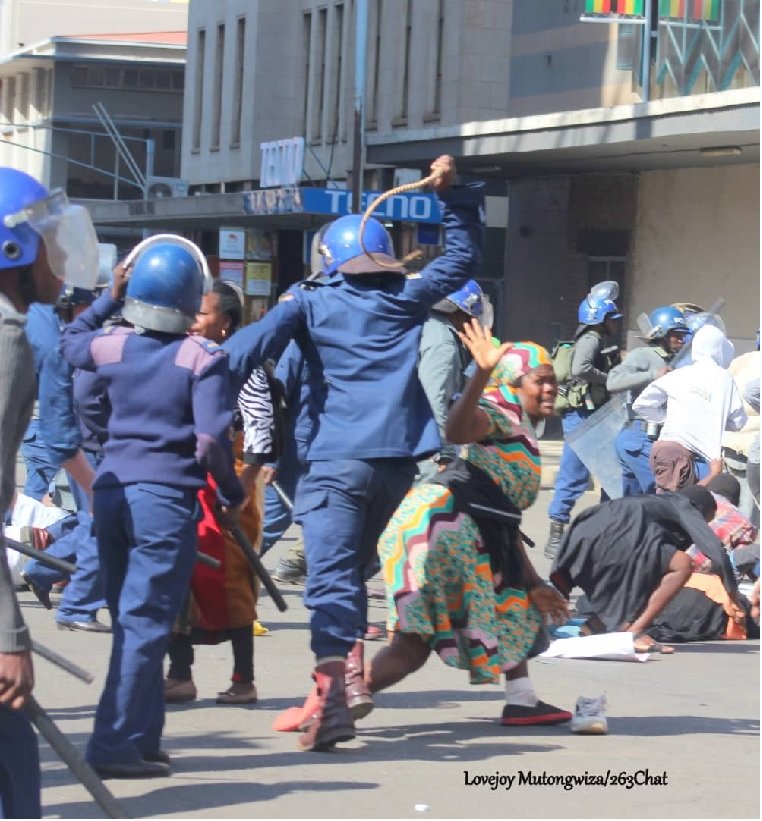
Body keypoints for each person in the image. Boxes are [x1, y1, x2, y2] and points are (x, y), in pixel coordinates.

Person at [223, 154, 483, 752]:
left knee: (332, 583)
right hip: (395, 466)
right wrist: (454, 196)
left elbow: (244, 354)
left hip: (333, 463)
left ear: (328, 261)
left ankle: (333, 696)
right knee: (351, 575)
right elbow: (465, 259)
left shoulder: (310, 301)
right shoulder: (407, 297)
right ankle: (330, 694)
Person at [60, 238, 244, 779]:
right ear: (192, 300)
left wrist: (105, 299)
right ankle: (113, 744)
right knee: (147, 625)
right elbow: (211, 441)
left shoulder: (111, 346)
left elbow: (71, 346)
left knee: (132, 624)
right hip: (164, 500)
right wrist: (231, 493)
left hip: (112, 491)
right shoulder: (201, 358)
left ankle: (143, 736)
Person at [371, 320, 571, 726]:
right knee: (414, 641)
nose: (550, 389)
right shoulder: (497, 410)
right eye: (541, 380)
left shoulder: (520, 422)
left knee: (515, 602)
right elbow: (458, 428)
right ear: (514, 382)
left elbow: (503, 518)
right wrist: (480, 373)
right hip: (439, 527)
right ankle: (338, 696)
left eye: (554, 381)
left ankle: (522, 699)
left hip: (467, 528)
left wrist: (535, 582)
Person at [0, 166, 100, 817]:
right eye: (46, 239)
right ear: (14, 250)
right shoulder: (9, 338)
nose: (60, 256)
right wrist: (9, 635)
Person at [165, 280, 266, 705]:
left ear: (225, 322)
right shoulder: (178, 357)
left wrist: (239, 491)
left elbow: (261, 431)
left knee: (230, 580)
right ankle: (180, 673)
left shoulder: (247, 365)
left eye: (201, 314)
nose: (192, 322)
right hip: (183, 476)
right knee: (177, 576)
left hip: (232, 476)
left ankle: (243, 678)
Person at [550, 486, 740, 652]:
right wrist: (733, 595)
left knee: (650, 570)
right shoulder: (685, 506)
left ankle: (594, 627)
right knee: (683, 565)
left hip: (580, 538)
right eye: (705, 520)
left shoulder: (652, 504)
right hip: (613, 542)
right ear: (701, 510)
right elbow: (715, 549)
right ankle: (634, 633)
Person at [20, 285, 109, 631]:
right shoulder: (69, 342)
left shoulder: (70, 336)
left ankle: (43, 566)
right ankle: (72, 597)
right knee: (97, 522)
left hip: (65, 437)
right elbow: (82, 400)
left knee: (85, 518)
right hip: (75, 440)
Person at [545, 286, 622, 558]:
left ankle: (602, 532)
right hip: (582, 414)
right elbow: (580, 369)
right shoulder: (591, 337)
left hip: (590, 413)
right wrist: (610, 379)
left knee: (609, 472)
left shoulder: (593, 337)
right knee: (574, 472)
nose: (615, 322)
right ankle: (557, 533)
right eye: (612, 317)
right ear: (600, 318)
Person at [632, 324, 747, 492]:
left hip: (668, 450)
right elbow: (738, 422)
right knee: (676, 507)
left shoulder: (680, 374)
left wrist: (667, 418)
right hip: (690, 457)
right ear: (719, 350)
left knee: (678, 508)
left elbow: (641, 405)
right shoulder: (724, 378)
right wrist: (714, 419)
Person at [607, 305, 689, 496]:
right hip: (641, 434)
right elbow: (613, 381)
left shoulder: (677, 360)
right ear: (661, 334)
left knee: (630, 505)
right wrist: (653, 374)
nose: (681, 339)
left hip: (654, 437)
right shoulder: (644, 355)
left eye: (682, 334)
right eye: (676, 334)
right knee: (661, 492)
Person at [415, 279, 482, 484]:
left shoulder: (425, 325)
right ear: (462, 312)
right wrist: (442, 451)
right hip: (424, 447)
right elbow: (433, 400)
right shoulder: (443, 343)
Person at [722, 344, 760, 527]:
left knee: (730, 510)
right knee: (748, 518)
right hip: (752, 452)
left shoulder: (741, 360)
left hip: (730, 444)